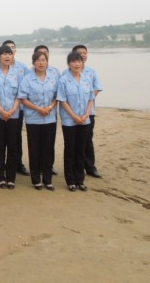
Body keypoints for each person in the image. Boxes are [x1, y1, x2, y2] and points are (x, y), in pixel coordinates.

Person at [18, 50, 59, 190]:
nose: (41, 63)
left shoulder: (53, 78)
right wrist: (38, 109)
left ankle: (48, 179)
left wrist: (50, 107)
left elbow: (57, 96)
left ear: (47, 62)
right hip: (33, 119)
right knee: (34, 149)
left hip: (49, 118)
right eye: (38, 60)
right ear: (33, 63)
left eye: (43, 60)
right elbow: (23, 98)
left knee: (48, 149)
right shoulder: (27, 79)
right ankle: (36, 179)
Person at [57, 51, 94, 192]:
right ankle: (71, 181)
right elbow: (63, 100)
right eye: (73, 61)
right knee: (70, 150)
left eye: (79, 61)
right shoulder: (64, 80)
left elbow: (91, 98)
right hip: (69, 121)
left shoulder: (87, 79)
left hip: (84, 120)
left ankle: (80, 180)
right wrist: (74, 116)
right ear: (69, 64)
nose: (77, 64)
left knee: (81, 150)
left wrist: (86, 114)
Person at [0, 45, 21, 189]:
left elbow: (20, 94)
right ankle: (0, 177)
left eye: (10, 54)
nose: (7, 56)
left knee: (12, 146)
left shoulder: (17, 73)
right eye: (4, 54)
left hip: (13, 114)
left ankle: (11, 177)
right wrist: (1, 111)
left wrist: (13, 110)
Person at [70, 44, 104, 179]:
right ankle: (76, 166)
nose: (83, 55)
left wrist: (87, 101)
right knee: (74, 141)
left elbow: (96, 89)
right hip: (72, 113)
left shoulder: (91, 72)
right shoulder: (67, 73)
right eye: (80, 53)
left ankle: (90, 167)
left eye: (85, 53)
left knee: (87, 139)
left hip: (88, 112)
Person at [2, 40, 30, 177]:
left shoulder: (22, 67)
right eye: (7, 49)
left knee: (16, 138)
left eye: (13, 48)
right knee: (2, 139)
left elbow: (27, 85)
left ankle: (18, 164)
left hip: (18, 109)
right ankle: (2, 165)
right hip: (1, 110)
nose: (10, 51)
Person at [34, 44, 60, 176]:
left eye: (45, 53)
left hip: (51, 113)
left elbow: (59, 93)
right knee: (37, 143)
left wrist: (50, 107)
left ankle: (49, 166)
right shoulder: (30, 73)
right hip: (35, 114)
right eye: (39, 54)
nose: (42, 58)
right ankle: (38, 167)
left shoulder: (55, 72)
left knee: (49, 142)